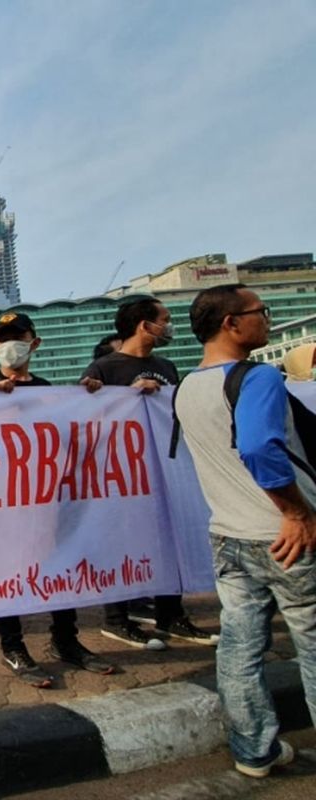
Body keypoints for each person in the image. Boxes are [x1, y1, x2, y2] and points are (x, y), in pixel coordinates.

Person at [174, 284, 315, 777]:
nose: (267, 319)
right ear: (231, 323)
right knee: (312, 644)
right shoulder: (257, 378)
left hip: (228, 535)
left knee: (240, 646)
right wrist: (296, 512)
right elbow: (258, 448)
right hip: (283, 536)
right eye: (261, 311)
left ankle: (254, 748)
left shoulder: (187, 387)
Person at [0, 313, 115, 687]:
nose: (11, 344)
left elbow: (68, 435)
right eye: (3, 339)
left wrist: (87, 400)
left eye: (18, 336)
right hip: (2, 502)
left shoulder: (49, 389)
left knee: (58, 565)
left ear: (34, 343)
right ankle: (13, 646)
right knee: (6, 570)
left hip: (47, 498)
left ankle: (65, 639)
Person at [79, 298, 218, 650]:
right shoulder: (103, 368)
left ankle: (170, 616)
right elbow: (87, 419)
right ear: (145, 325)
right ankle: (117, 619)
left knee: (169, 541)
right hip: (122, 477)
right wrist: (122, 395)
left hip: (164, 472)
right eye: (165, 319)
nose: (169, 326)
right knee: (120, 544)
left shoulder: (166, 366)